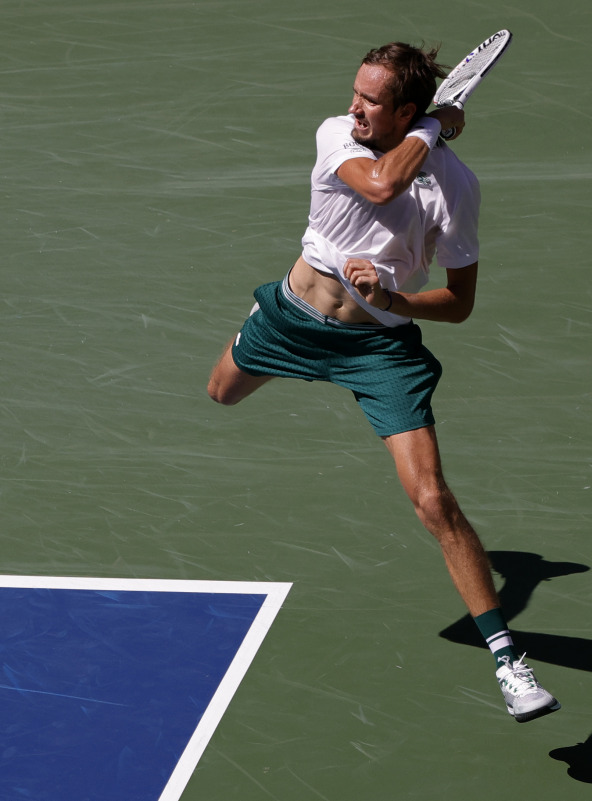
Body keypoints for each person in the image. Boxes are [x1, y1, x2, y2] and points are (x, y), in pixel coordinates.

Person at [206, 41, 559, 723]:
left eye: (371, 100)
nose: (353, 106)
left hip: (377, 347)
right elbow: (380, 186)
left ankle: (507, 657)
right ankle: (264, 317)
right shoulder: (337, 134)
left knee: (432, 499)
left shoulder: (455, 187)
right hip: (294, 316)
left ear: (402, 108)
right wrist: (432, 123)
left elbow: (459, 303)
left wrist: (394, 300)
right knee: (220, 390)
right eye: (357, 93)